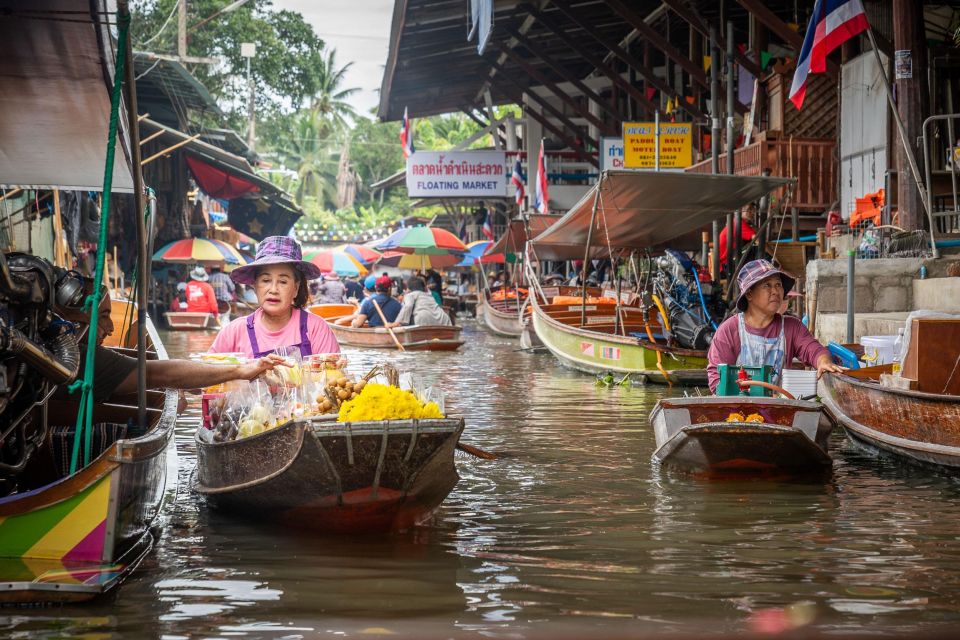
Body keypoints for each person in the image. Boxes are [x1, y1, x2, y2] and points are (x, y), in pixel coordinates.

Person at [60, 284, 288, 403]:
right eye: (103, 316)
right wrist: (240, 370)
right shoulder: (85, 358)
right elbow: (163, 374)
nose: (110, 328)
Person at [706, 259, 844, 393]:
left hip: (779, 409)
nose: (775, 291)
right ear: (749, 294)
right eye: (767, 285)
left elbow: (814, 350)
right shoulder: (729, 330)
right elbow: (716, 379)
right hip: (738, 411)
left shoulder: (792, 327)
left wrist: (824, 362)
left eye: (778, 285)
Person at [208, 236, 340, 358]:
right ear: (255, 286)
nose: (273, 290)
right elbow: (210, 375)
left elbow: (333, 379)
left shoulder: (316, 329)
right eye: (266, 280)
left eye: (283, 282)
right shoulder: (233, 332)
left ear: (295, 288)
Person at [335, 275, 401, 328]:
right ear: (390, 289)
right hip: (391, 336)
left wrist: (353, 323)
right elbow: (401, 323)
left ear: (376, 287)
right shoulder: (398, 304)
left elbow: (358, 324)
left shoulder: (368, 302)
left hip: (374, 337)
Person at [386, 276, 452, 328]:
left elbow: (408, 306)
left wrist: (396, 323)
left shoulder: (410, 295)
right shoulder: (429, 295)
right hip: (443, 318)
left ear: (408, 289)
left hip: (423, 318)